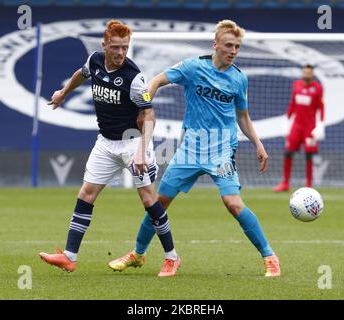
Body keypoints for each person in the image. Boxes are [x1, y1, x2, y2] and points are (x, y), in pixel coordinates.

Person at [108, 20, 281, 277]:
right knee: (158, 204)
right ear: (215, 45)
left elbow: (242, 116)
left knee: (233, 203)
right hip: (190, 149)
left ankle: (270, 256)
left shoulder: (238, 79)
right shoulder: (193, 67)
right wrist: (145, 103)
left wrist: (258, 143)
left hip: (221, 150)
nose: (233, 51)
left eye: (237, 47)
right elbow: (156, 80)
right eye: (228, 46)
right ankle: (138, 254)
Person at [38, 20, 180, 277]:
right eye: (115, 47)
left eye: (125, 47)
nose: (120, 53)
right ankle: (69, 257)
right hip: (105, 141)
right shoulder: (94, 60)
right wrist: (64, 93)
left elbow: (149, 115)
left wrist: (141, 150)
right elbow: (81, 74)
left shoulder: (133, 78)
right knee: (86, 194)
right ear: (104, 45)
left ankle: (172, 257)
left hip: (132, 142)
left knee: (149, 200)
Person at [274, 64, 325, 192]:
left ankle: (309, 184)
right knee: (288, 152)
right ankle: (285, 183)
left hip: (310, 127)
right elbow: (293, 104)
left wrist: (321, 125)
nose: (306, 75)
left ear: (312, 74)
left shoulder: (317, 88)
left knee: (309, 154)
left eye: (309, 73)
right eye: (305, 72)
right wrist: (287, 120)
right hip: (297, 126)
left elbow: (321, 107)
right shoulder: (296, 85)